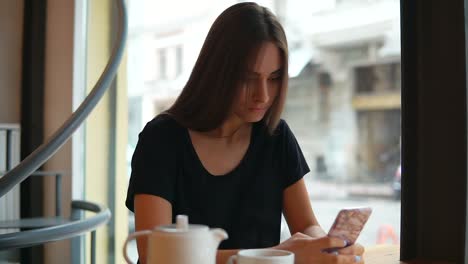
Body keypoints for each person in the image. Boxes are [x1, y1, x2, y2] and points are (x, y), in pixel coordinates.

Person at [125, 2, 364, 264]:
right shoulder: (162, 139)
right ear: (217, 72)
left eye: (273, 78)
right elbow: (153, 255)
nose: (263, 95)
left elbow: (306, 227)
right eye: (249, 78)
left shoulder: (276, 137)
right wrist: (279, 256)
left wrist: (326, 247)